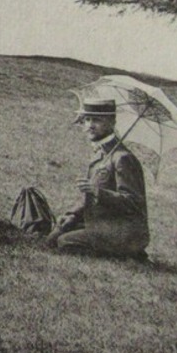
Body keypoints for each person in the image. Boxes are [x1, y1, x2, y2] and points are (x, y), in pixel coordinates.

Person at [50, 97, 150, 259]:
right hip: (101, 224)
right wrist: (72, 215)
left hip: (124, 233)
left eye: (96, 120)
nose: (90, 125)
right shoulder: (100, 154)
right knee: (53, 237)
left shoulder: (122, 158)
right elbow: (89, 198)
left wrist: (99, 192)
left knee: (65, 242)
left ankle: (131, 255)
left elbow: (133, 203)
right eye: (87, 119)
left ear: (112, 122)